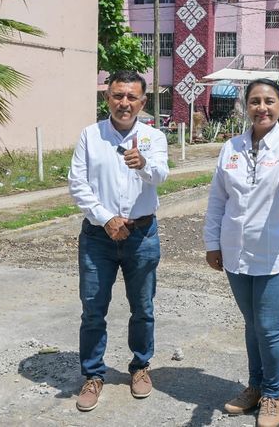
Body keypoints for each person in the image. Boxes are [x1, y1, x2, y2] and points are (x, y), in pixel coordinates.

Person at [203, 79, 279, 427]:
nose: (262, 107)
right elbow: (218, 199)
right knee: (252, 324)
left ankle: (273, 395)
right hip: (236, 251)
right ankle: (255, 386)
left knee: (268, 325)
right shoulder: (230, 148)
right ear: (245, 107)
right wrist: (212, 243)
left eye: (269, 101)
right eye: (254, 101)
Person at [68, 70, 169, 412]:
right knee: (93, 309)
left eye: (131, 97)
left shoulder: (154, 138)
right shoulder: (90, 136)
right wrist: (105, 217)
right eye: (117, 96)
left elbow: (161, 175)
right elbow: (77, 184)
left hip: (141, 234)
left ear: (142, 101)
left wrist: (142, 165)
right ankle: (94, 375)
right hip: (99, 235)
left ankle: (140, 366)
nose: (124, 103)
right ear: (107, 98)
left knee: (143, 307)